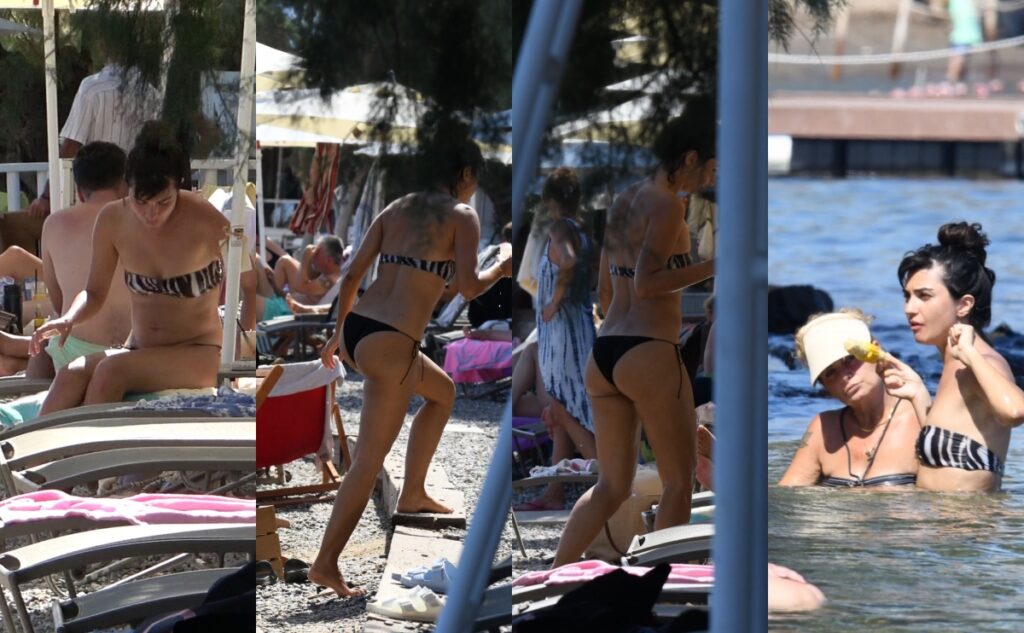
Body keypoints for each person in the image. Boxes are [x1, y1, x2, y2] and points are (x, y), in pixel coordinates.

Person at [311, 133, 512, 598]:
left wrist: (339, 333)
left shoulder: (397, 207)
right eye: (475, 180)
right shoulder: (462, 216)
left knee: (443, 393)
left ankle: (415, 490)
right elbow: (469, 287)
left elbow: (353, 274)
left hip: (361, 329)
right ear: (464, 174)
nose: (474, 190)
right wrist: (501, 267)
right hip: (393, 341)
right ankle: (325, 563)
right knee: (367, 461)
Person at [552, 99, 717, 567]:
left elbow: (607, 289)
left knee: (611, 486)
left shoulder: (625, 200)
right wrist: (716, 265)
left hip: (605, 352)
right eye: (710, 168)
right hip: (648, 351)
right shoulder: (666, 207)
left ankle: (551, 574)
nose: (711, 179)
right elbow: (647, 282)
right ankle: (657, 584)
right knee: (679, 481)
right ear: (689, 158)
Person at [30, 122, 228, 414]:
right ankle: (36, 444)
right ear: (126, 187)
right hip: (138, 347)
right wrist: (68, 318)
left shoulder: (206, 219)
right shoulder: (113, 220)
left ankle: (86, 444)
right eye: (140, 201)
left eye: (163, 202)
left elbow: (246, 280)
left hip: (197, 351)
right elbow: (94, 293)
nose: (151, 213)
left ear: (178, 187)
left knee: (111, 372)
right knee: (69, 375)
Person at [883, 222, 1024, 492]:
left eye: (924, 296)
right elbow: (946, 455)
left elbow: (1015, 412)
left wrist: (971, 355)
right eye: (907, 296)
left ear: (964, 304)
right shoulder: (954, 363)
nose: (909, 308)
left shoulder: (983, 361)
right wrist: (918, 394)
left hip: (970, 520)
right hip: (936, 516)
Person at [515, 167, 597, 512]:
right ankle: (555, 492)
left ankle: (605, 480)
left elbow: (568, 262)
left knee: (565, 410)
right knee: (570, 408)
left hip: (563, 337)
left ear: (550, 200)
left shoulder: (560, 228)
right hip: (579, 330)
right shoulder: (583, 230)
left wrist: (553, 301)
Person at [778, 310, 923, 488]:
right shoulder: (824, 429)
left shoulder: (921, 416)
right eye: (831, 372)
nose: (845, 376)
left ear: (876, 351)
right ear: (825, 387)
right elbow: (786, 494)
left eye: (850, 359)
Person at [28, 60, 160, 219]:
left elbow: (71, 146)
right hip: (134, 197)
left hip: (95, 192)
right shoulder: (152, 93)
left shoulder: (92, 88)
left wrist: (47, 197)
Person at [270, 235, 344, 305]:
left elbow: (299, 287)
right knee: (284, 261)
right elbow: (309, 274)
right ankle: (272, 298)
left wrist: (305, 258)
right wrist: (309, 258)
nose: (313, 256)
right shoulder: (327, 271)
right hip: (295, 298)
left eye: (317, 254)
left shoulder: (329, 281)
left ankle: (272, 303)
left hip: (299, 307)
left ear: (328, 260)